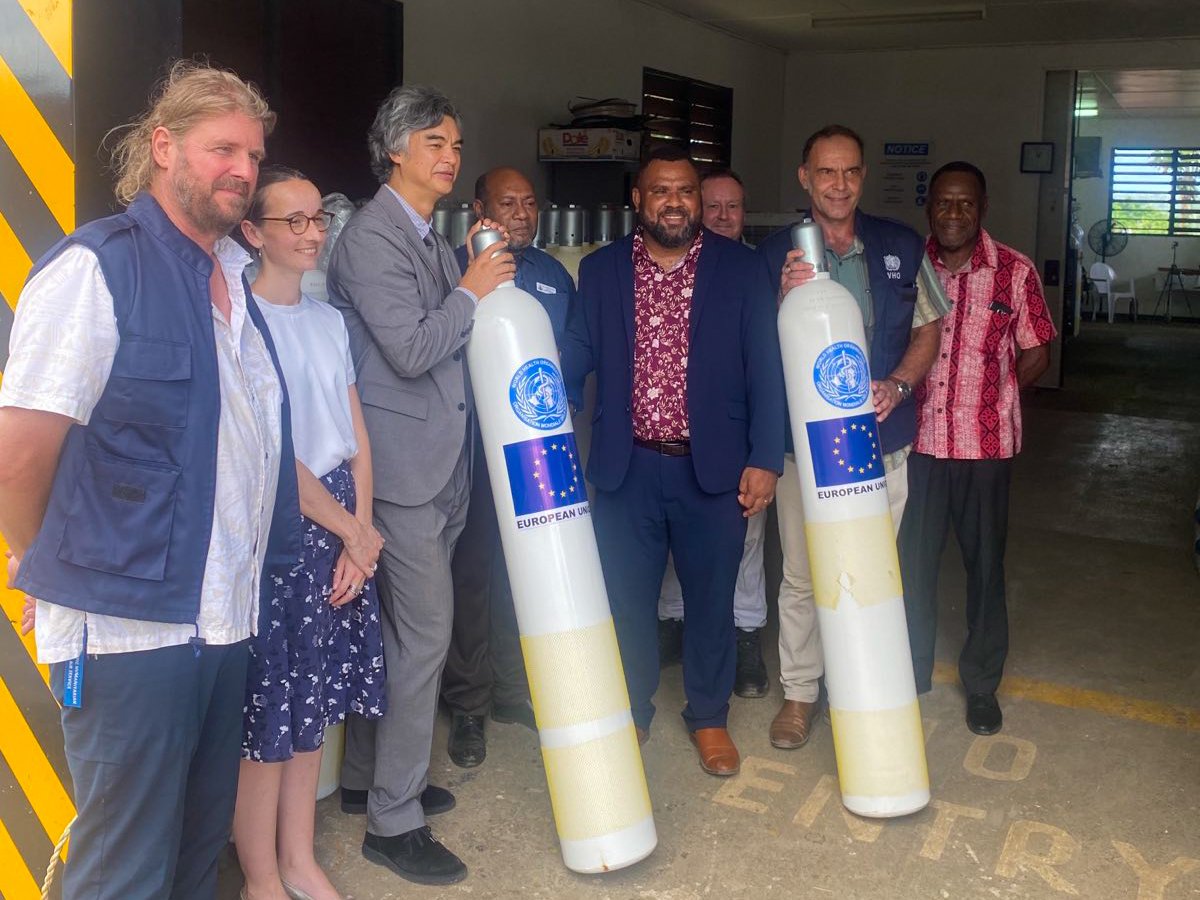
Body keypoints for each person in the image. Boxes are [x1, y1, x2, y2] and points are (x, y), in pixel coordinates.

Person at [0, 61, 300, 900]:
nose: (242, 168)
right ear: (163, 147)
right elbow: (17, 455)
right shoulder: (97, 269)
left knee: (194, 859)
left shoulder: (235, 284)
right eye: (222, 148)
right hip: (128, 635)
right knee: (125, 873)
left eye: (254, 154)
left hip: (224, 622)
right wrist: (49, 562)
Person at [326, 84, 513, 886]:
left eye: (457, 144)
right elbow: (409, 350)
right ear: (395, 150)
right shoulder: (373, 239)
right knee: (424, 637)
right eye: (436, 142)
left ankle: (369, 779)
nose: (451, 156)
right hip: (401, 473)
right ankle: (392, 820)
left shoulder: (428, 236)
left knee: (397, 637)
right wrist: (472, 288)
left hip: (438, 462)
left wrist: (464, 277)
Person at [561, 147, 785, 777]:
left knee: (712, 601)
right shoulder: (601, 270)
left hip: (711, 469)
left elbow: (766, 368)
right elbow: (576, 353)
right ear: (638, 199)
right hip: (627, 466)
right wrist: (528, 391)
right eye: (661, 191)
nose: (675, 202)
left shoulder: (740, 269)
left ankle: (709, 716)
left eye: (685, 191)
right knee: (626, 599)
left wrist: (766, 457)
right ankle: (631, 709)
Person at [758, 124, 949, 751]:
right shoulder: (772, 254)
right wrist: (778, 298)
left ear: (862, 177)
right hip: (803, 448)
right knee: (802, 574)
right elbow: (749, 344)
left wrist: (897, 384)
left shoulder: (900, 244)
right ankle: (800, 692)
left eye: (850, 172)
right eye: (826, 172)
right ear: (804, 178)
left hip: (882, 441)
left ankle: (858, 689)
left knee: (871, 570)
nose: (838, 185)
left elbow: (928, 327)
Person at [232, 167, 387, 900]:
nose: (310, 232)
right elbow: (272, 450)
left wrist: (364, 530)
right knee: (270, 709)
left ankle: (299, 857)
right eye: (291, 221)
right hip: (283, 523)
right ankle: (261, 875)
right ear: (252, 232)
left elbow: (356, 435)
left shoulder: (328, 320)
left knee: (314, 701)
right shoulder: (240, 322)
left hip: (343, 521)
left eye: (317, 218)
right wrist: (352, 531)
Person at [899, 161, 1055, 735]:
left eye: (966, 203)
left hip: (985, 448)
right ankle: (909, 672)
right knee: (912, 565)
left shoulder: (1015, 270)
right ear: (929, 208)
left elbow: (1037, 350)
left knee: (985, 568)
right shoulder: (907, 266)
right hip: (919, 445)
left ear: (982, 209)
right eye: (944, 202)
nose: (954, 213)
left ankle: (982, 684)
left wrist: (1000, 392)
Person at [443, 166, 577, 768]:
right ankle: (468, 704)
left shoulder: (553, 275)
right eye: (507, 203)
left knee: (527, 570)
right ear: (480, 211)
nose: (521, 214)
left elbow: (574, 355)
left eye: (529, 203)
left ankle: (512, 690)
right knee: (472, 576)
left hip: (535, 455)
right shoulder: (453, 271)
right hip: (469, 450)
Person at [657, 168, 770, 698]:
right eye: (714, 205)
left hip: (734, 442)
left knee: (744, 549)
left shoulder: (755, 269)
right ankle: (673, 622)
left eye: (734, 207)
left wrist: (763, 452)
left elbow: (765, 367)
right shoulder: (669, 265)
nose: (723, 216)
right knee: (676, 547)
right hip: (673, 444)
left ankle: (745, 636)